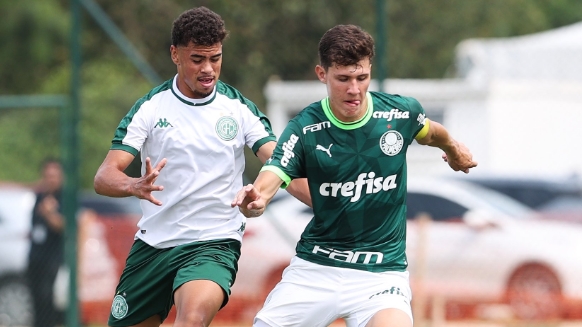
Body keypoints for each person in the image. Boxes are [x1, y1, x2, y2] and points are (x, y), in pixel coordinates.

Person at [231, 24, 478, 327]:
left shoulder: (399, 114)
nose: (354, 89)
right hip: (317, 269)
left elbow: (431, 132)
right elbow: (272, 175)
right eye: (343, 79)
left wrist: (453, 149)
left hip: (381, 274)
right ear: (322, 74)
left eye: (362, 78)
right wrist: (255, 200)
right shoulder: (305, 128)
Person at [93, 6, 309, 327]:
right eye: (197, 59)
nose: (208, 69)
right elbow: (104, 176)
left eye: (216, 58)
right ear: (175, 55)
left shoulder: (238, 109)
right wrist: (133, 185)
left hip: (213, 242)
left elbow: (282, 162)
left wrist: (330, 202)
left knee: (192, 319)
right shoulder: (151, 108)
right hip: (154, 245)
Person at [27, 159, 65, 327]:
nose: (50, 179)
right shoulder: (39, 196)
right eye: (47, 175)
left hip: (54, 258)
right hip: (35, 256)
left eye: (54, 176)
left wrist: (49, 214)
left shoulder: (64, 198)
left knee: (49, 297)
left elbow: (65, 227)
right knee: (35, 298)